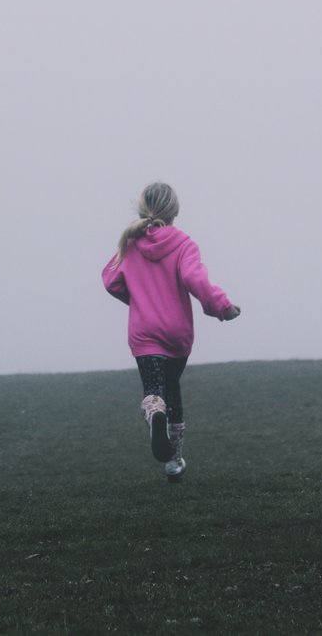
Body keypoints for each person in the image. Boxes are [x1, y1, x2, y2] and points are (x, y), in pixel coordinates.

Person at [102, 182, 240, 483]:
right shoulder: (184, 244)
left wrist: (138, 299)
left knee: (155, 389)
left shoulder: (130, 243)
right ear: (175, 210)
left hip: (144, 333)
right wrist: (223, 307)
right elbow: (196, 280)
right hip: (177, 334)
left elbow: (111, 280)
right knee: (173, 389)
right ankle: (174, 462)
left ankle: (155, 415)